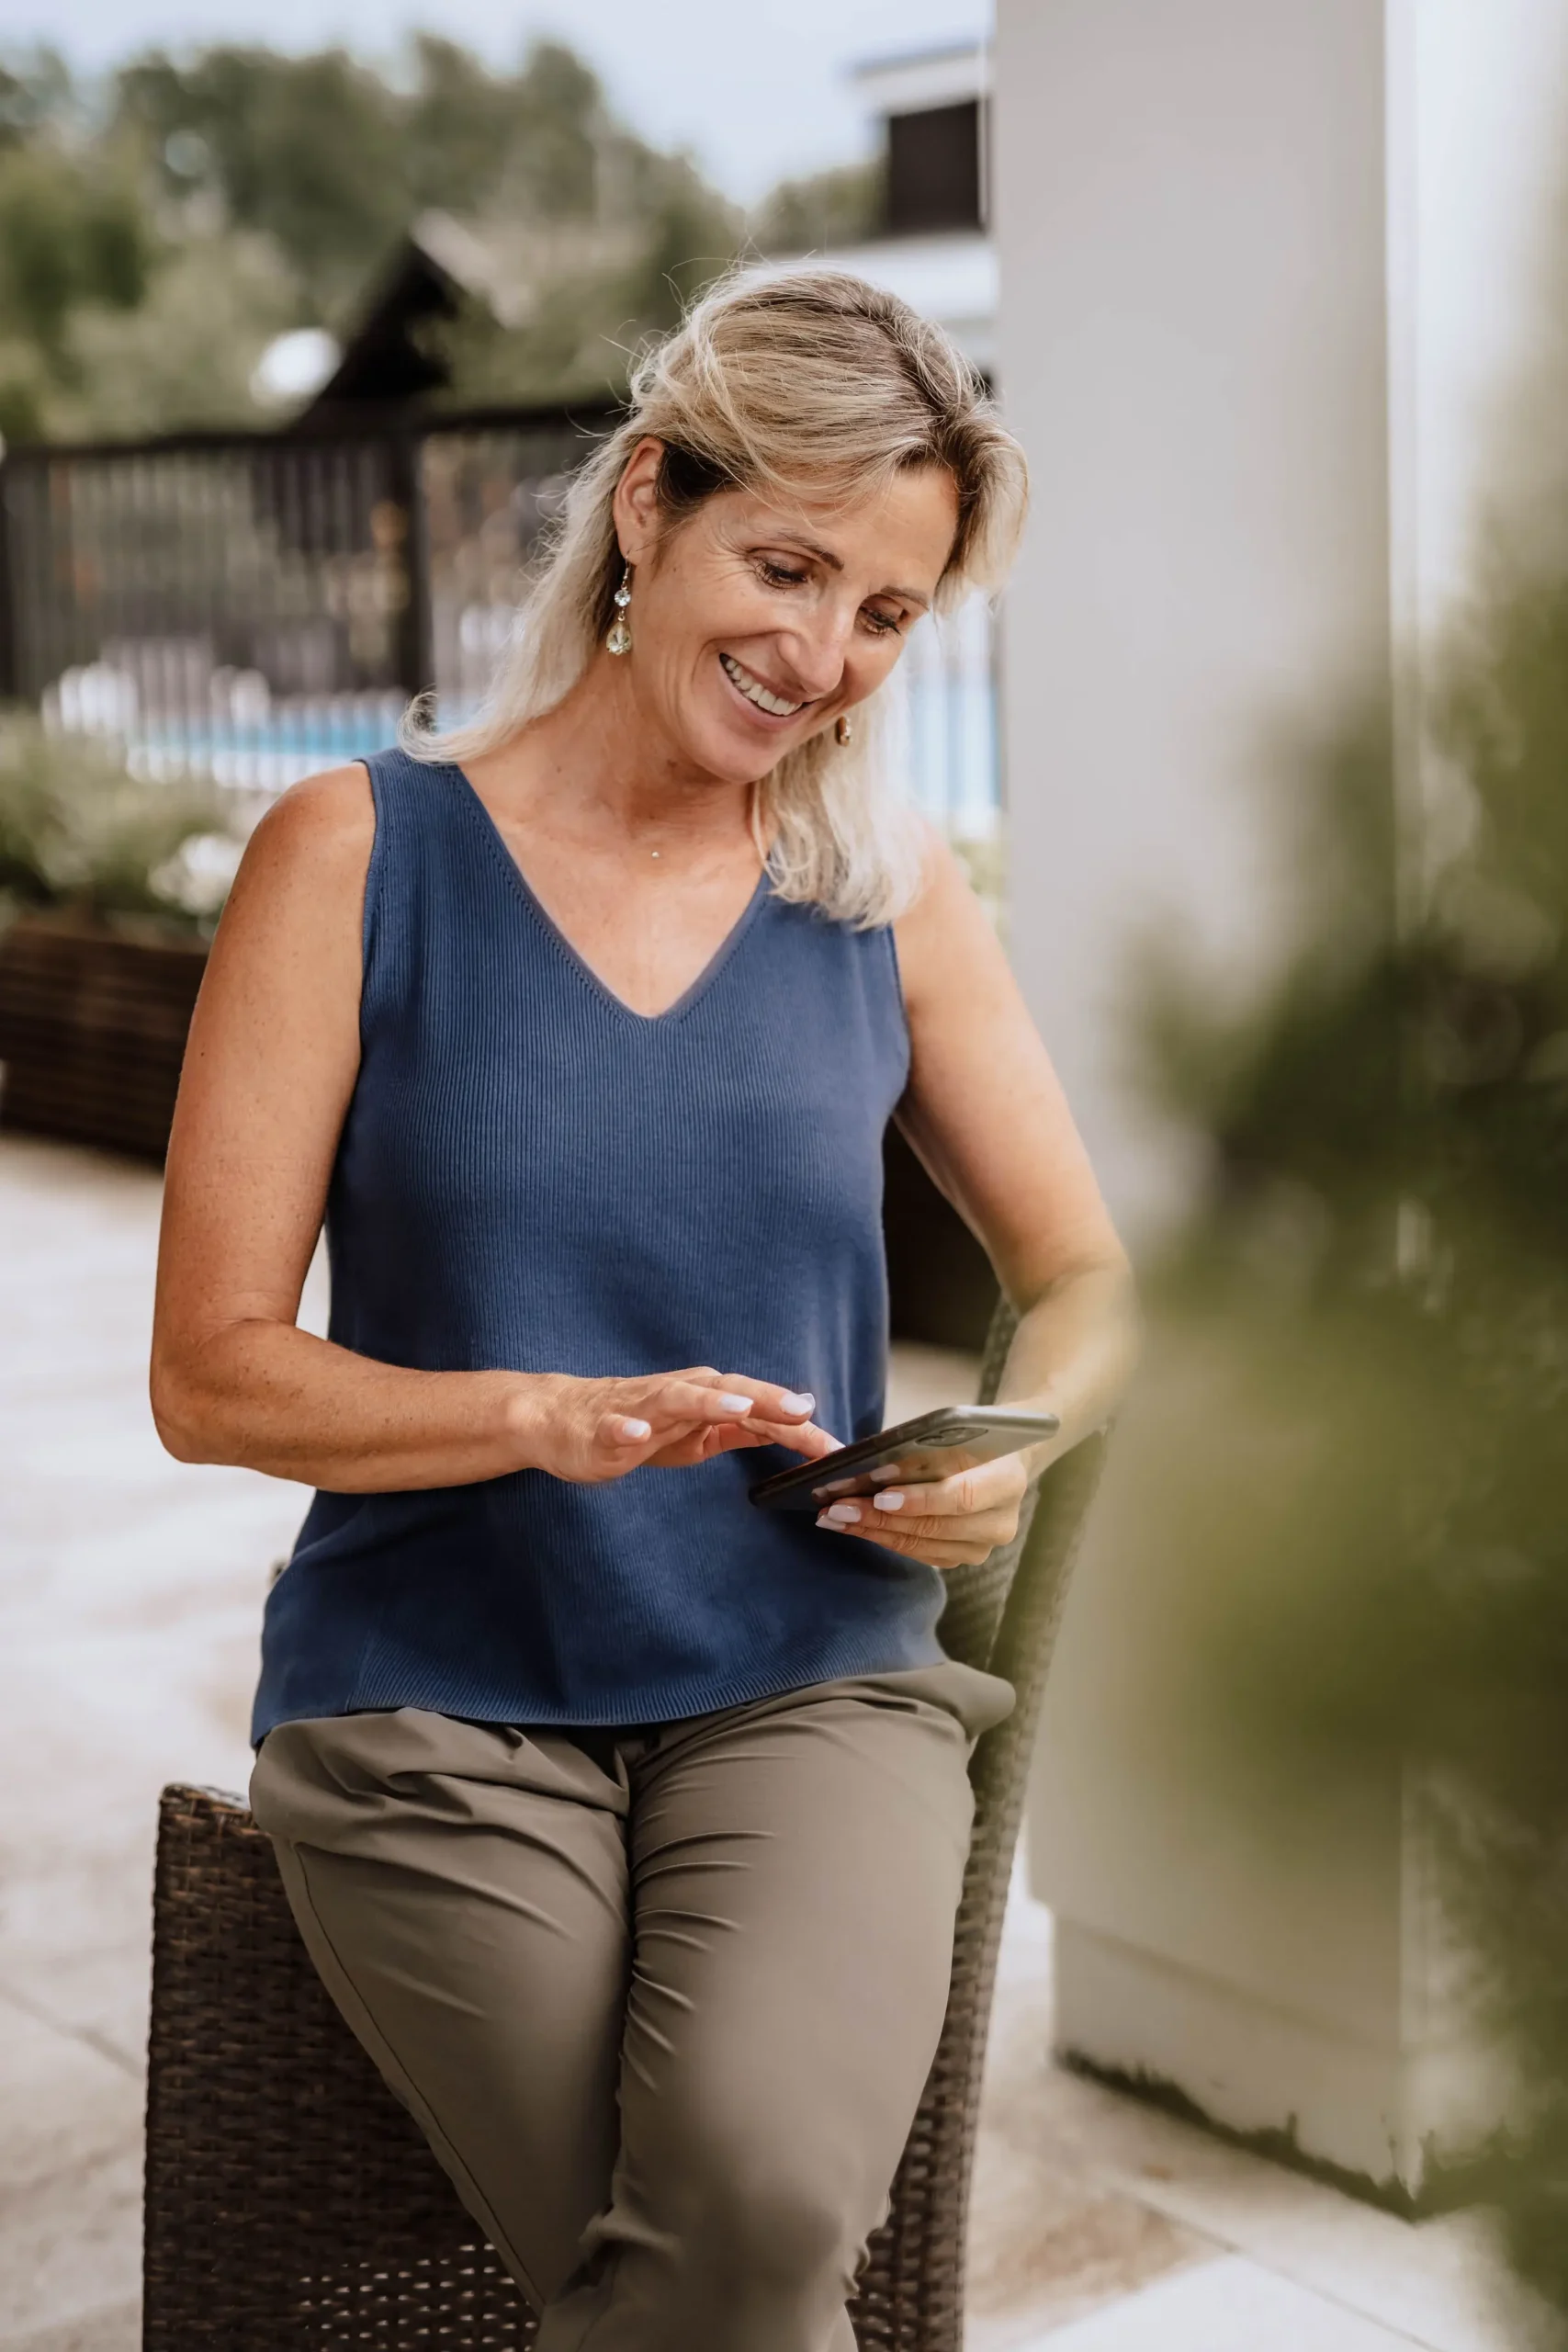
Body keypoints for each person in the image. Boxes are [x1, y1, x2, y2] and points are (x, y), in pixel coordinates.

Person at [151, 266, 1137, 2352]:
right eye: (784, 567)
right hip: (430, 1693)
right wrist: (533, 1413)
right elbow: (208, 1372)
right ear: (649, 507)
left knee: (755, 2207)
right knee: (709, 2265)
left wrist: (1019, 1445)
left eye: (885, 616)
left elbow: (1085, 1278)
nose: (822, 659)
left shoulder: (884, 895)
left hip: (806, 1679)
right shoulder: (354, 856)